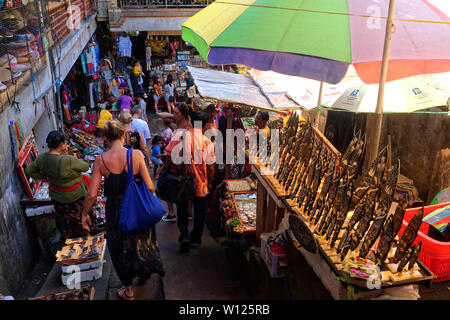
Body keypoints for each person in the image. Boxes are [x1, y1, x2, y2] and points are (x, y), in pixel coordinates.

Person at [81, 120, 164, 300]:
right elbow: (150, 186)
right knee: (142, 241)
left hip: (116, 210)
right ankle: (143, 273)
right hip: (137, 206)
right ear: (123, 135)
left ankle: (129, 291)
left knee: (118, 248)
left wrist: (84, 214)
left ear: (105, 138)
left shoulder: (100, 161)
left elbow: (92, 194)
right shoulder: (136, 155)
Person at [25, 131, 95, 239]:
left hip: (57, 197)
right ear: (62, 144)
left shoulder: (42, 159)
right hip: (75, 197)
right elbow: (85, 167)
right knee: (80, 222)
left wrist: (45, 178)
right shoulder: (68, 159)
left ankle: (69, 244)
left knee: (65, 222)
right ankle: (85, 242)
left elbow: (29, 171)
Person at [164, 108, 216, 251]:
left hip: (181, 181)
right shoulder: (207, 142)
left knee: (181, 210)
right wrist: (210, 182)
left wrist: (168, 169)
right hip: (201, 184)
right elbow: (211, 167)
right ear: (205, 125)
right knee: (199, 213)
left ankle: (184, 235)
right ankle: (196, 238)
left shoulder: (179, 136)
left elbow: (168, 156)